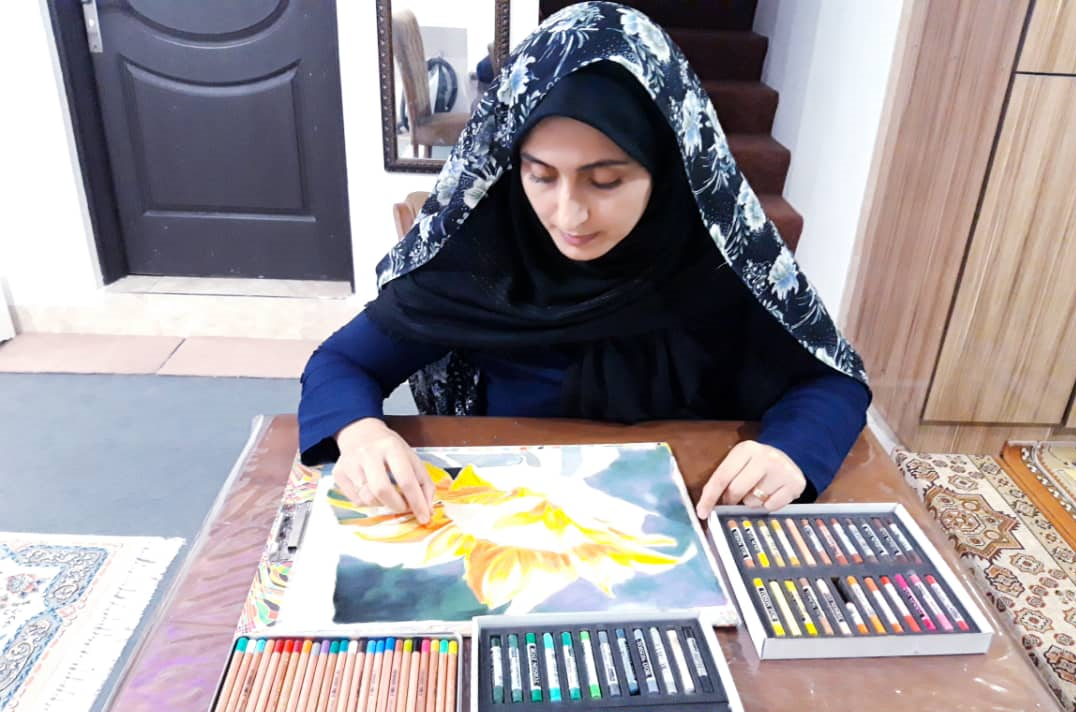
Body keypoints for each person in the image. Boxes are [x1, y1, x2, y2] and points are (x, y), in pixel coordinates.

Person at [299, 3, 871, 525]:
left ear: (667, 168)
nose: (568, 214)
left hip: (678, 525)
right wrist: (360, 432)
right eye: (541, 176)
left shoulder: (720, 265)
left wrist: (790, 451)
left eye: (606, 180)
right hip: (507, 527)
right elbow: (342, 361)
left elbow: (832, 379)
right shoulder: (482, 261)